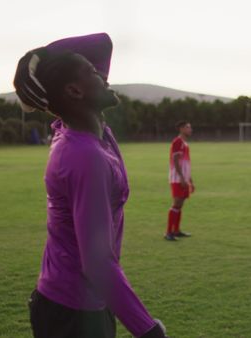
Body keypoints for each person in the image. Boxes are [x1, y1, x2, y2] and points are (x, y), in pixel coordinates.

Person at [13, 33, 168, 338]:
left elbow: (102, 43)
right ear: (75, 90)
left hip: (84, 303)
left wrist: (37, 57)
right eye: (93, 72)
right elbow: (97, 263)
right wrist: (148, 331)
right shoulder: (84, 155)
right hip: (73, 314)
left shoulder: (85, 131)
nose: (103, 75)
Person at [165, 121, 194, 241]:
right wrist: (182, 177)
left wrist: (190, 180)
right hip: (177, 179)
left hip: (183, 179)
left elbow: (186, 163)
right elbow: (176, 161)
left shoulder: (184, 143)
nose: (190, 129)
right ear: (181, 129)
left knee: (180, 205)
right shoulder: (177, 142)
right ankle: (168, 233)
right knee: (176, 204)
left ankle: (176, 230)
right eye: (188, 127)